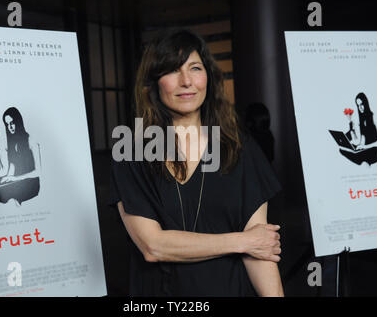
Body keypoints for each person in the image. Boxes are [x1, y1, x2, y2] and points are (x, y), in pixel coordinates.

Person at [109, 29, 283, 296]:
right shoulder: (131, 151)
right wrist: (241, 241)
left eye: (195, 68)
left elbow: (260, 250)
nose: (186, 81)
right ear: (154, 83)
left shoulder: (239, 148)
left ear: (208, 78)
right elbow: (153, 246)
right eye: (172, 71)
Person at [0, 107, 40, 205]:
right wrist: (7, 178)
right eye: (7, 124)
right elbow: (12, 166)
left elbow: (38, 172)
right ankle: (6, 193)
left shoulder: (31, 141)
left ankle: (10, 195)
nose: (10, 127)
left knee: (4, 194)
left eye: (12, 123)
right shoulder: (12, 143)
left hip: (31, 184)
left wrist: (15, 179)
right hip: (16, 182)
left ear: (18, 121)